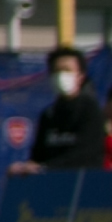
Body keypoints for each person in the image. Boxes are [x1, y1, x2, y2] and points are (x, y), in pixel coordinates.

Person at [25, 45, 104, 173]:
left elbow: (84, 155)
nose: (61, 76)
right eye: (56, 71)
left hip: (82, 184)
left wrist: (46, 168)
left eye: (67, 70)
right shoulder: (48, 115)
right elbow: (37, 156)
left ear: (80, 77)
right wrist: (25, 168)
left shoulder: (90, 111)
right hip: (51, 184)